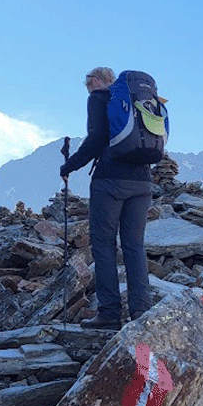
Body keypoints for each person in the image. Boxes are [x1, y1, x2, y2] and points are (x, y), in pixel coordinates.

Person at [60, 67, 153, 330]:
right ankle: (140, 311)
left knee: (104, 245)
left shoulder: (99, 98)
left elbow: (96, 139)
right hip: (143, 181)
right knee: (135, 246)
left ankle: (110, 312)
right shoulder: (137, 101)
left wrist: (68, 167)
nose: (87, 88)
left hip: (110, 181)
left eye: (87, 82)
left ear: (98, 80)